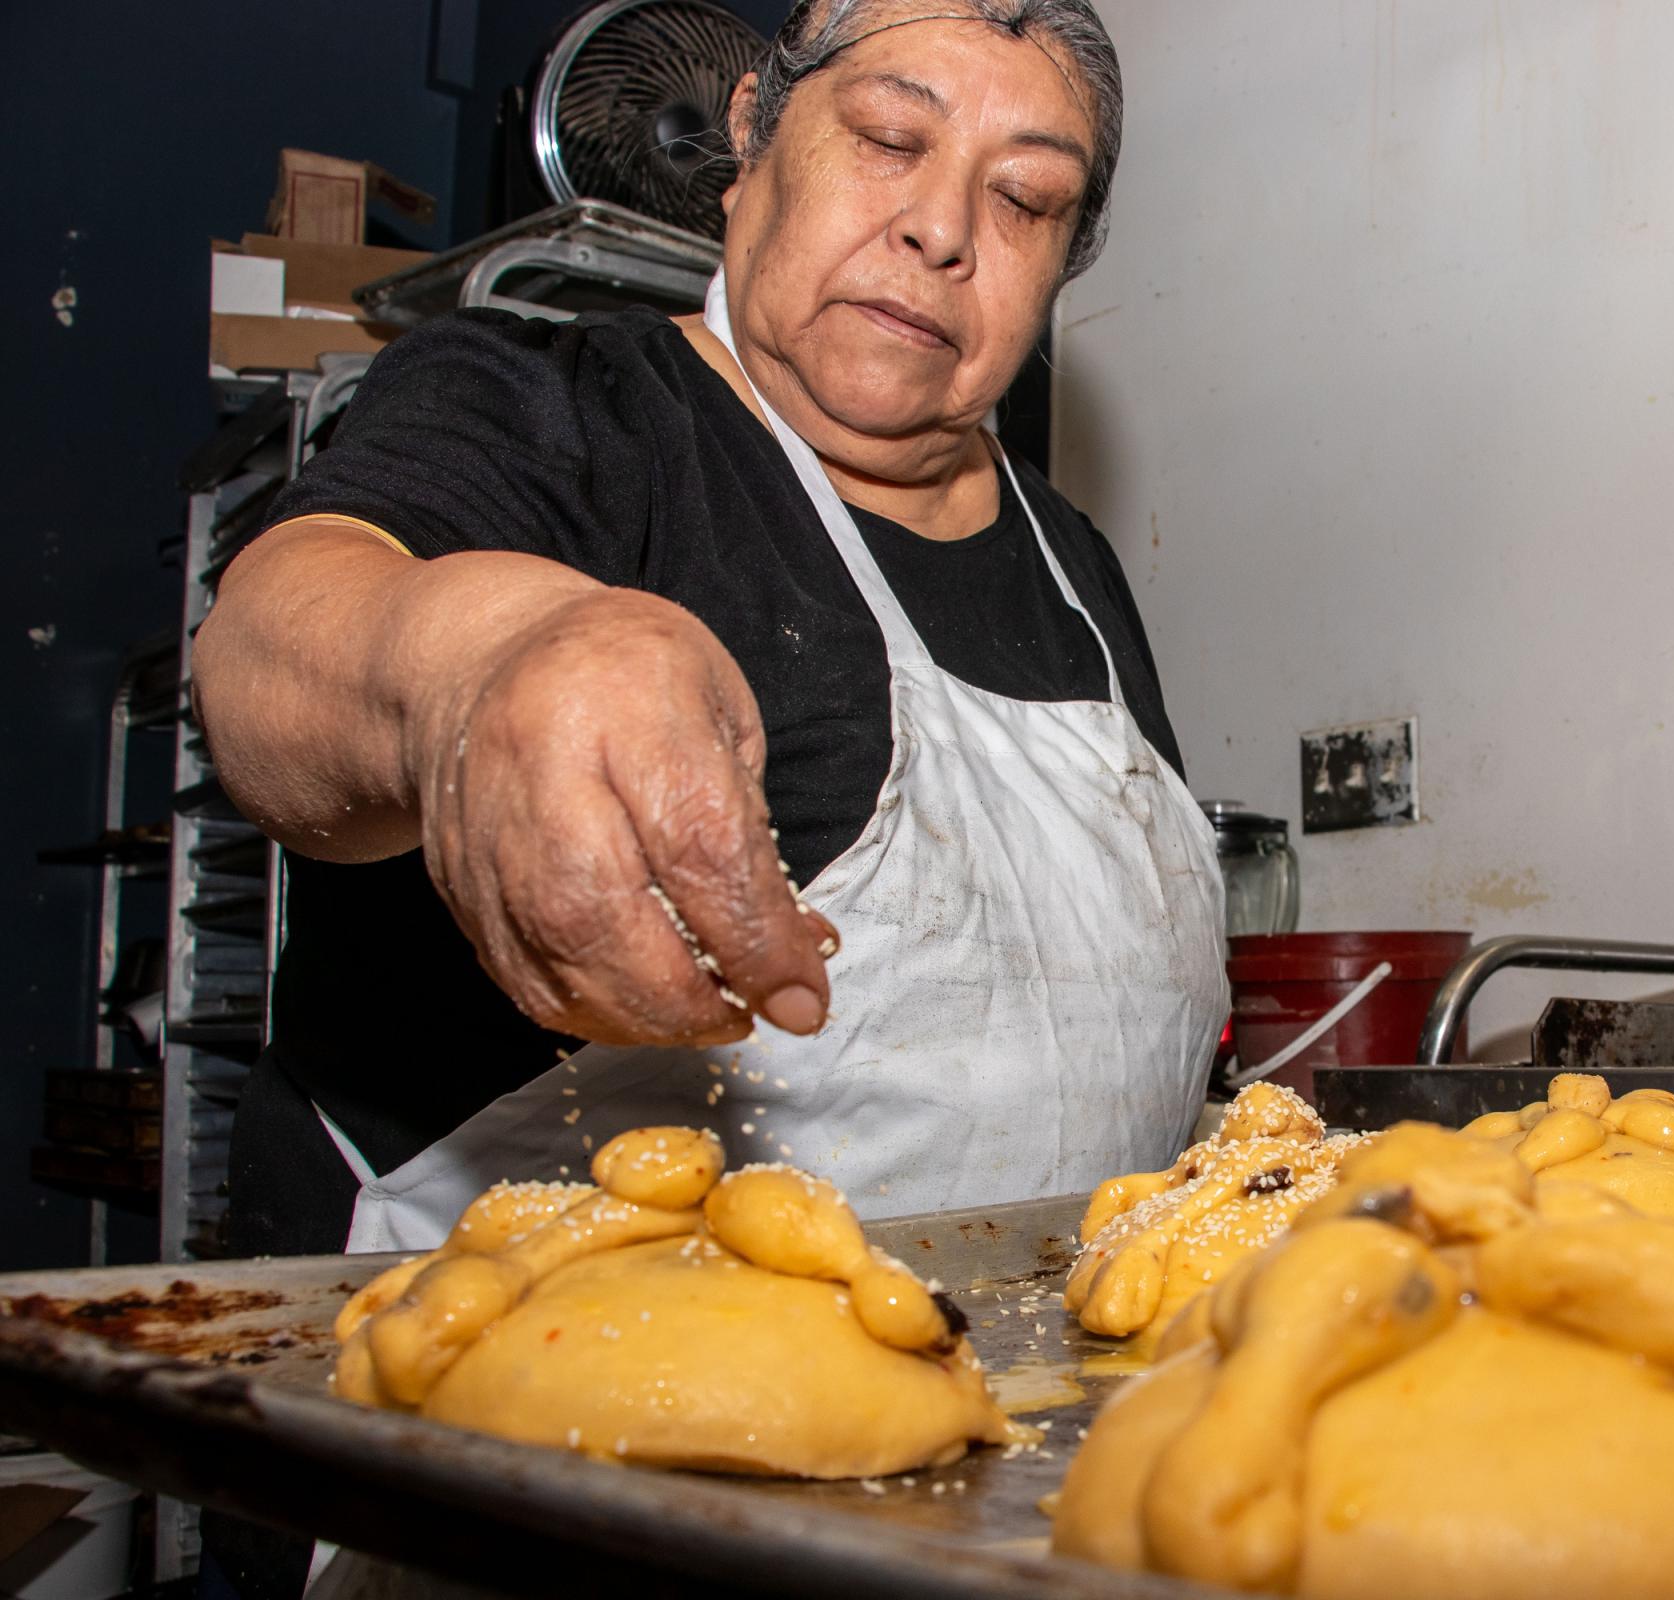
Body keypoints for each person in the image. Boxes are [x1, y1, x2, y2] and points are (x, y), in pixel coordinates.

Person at [194, 0, 1224, 1259]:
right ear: (752, 135)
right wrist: (479, 662)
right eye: (891, 138)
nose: (944, 229)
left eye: (1025, 200)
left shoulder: (1080, 572)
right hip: (532, 1392)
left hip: (1031, 1414)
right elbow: (268, 647)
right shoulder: (559, 409)